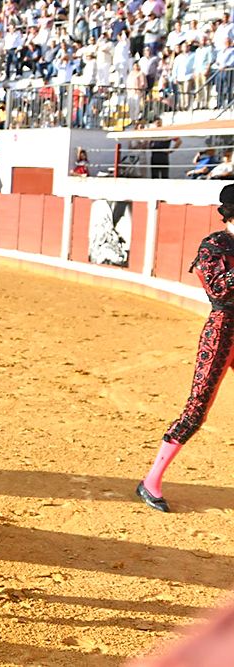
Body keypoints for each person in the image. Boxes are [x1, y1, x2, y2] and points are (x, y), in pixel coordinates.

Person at [137, 184, 234, 512]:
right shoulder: (214, 246)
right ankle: (151, 481)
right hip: (222, 332)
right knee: (197, 410)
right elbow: (219, 289)